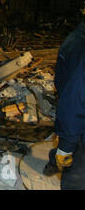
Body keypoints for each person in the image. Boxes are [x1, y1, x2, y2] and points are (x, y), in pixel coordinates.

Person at [46, 14, 85, 189]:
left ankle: (57, 157)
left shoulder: (74, 41)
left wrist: (66, 145)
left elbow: (74, 97)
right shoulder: (76, 42)